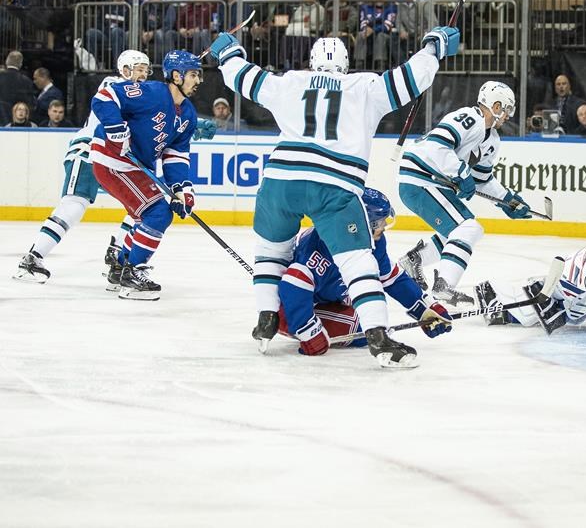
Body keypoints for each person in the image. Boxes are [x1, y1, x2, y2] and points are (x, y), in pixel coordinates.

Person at [208, 24, 460, 367]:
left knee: (271, 251)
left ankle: (266, 316)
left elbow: (245, 78)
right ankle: (379, 337)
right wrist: (434, 48)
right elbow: (410, 79)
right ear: (346, 63)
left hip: (281, 179)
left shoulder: (290, 82)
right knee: (359, 263)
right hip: (334, 184)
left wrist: (228, 54)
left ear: (313, 62)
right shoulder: (364, 87)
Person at [14, 51, 165, 282]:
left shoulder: (142, 95)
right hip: (89, 149)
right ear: (124, 70)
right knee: (74, 206)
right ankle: (32, 259)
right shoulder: (113, 85)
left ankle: (117, 255)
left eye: (146, 70)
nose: (143, 75)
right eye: (139, 69)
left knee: (142, 207)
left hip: (117, 158)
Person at [396, 82, 532, 306]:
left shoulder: (493, 141)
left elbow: (481, 180)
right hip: (420, 179)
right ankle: (443, 286)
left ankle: (415, 259)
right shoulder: (469, 118)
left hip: (430, 182)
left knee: (463, 232)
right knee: (468, 228)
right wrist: (460, 172)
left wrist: (508, 200)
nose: (509, 115)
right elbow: (436, 147)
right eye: (507, 109)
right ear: (496, 106)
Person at [274, 190, 453, 356]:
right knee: (361, 328)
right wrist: (307, 330)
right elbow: (293, 284)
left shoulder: (374, 241)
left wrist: (426, 308)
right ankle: (295, 324)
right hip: (291, 308)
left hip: (327, 300)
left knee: (372, 319)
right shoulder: (318, 248)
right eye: (380, 222)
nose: (383, 226)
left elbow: (392, 278)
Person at [88, 50, 203, 300]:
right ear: (177, 75)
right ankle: (133, 272)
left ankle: (120, 268)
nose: (198, 80)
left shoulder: (189, 114)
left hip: (134, 166)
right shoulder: (151, 92)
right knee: (158, 212)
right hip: (112, 160)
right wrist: (115, 127)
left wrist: (182, 189)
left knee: (149, 216)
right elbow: (104, 97)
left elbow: (175, 155)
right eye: (194, 75)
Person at [0, 51, 36, 126]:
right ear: (20, 64)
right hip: (17, 124)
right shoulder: (26, 81)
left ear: (7, 62)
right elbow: (29, 105)